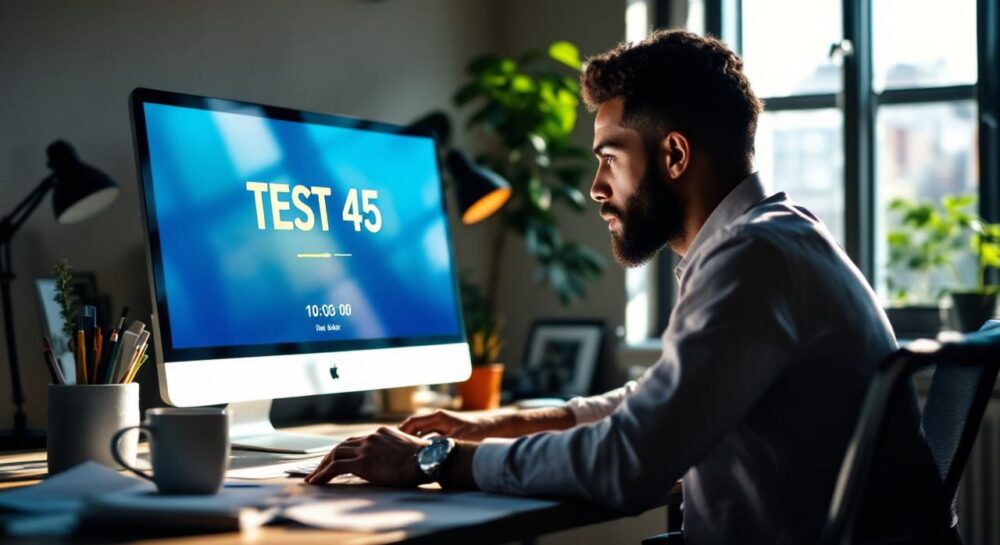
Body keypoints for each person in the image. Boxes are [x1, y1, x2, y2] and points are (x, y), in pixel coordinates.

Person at [307, 29, 951, 544]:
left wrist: (435, 461)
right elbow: (651, 404)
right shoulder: (772, 241)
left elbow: (632, 461)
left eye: (609, 157)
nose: (595, 187)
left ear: (673, 156)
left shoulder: (754, 257)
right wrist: (480, 427)